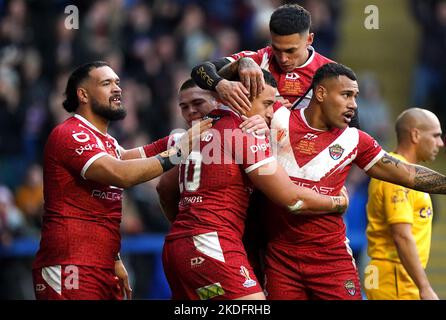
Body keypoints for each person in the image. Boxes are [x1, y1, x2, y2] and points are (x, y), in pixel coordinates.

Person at [262, 62, 446, 300]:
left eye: (356, 97)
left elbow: (407, 174)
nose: (354, 105)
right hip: (280, 257)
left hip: (331, 258)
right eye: (346, 95)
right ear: (320, 93)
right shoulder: (277, 118)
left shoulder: (356, 140)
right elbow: (230, 77)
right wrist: (245, 64)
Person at [161, 69, 350, 300]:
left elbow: (164, 187)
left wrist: (187, 230)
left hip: (185, 246)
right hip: (212, 244)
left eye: (198, 103)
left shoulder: (193, 138)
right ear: (239, 97)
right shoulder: (243, 132)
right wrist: (337, 202)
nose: (271, 112)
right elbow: (291, 198)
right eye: (268, 104)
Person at [32, 61, 212, 300]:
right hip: (70, 265)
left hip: (102, 265)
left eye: (117, 82)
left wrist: (175, 139)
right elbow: (122, 174)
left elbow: (129, 157)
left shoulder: (105, 141)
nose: (117, 88)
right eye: (106, 83)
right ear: (83, 94)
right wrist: (178, 152)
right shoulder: (69, 134)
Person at [190, 3, 360, 128]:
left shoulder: (332, 74)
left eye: (290, 50)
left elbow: (353, 129)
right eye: (277, 49)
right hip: (259, 155)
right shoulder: (259, 58)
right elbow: (200, 71)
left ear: (309, 40)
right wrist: (221, 84)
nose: (283, 58)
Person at [365, 108, 443, 300]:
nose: (441, 143)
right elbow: (401, 235)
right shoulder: (395, 178)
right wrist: (424, 287)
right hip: (393, 278)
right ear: (415, 134)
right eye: (436, 135)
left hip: (391, 276)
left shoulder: (404, 174)